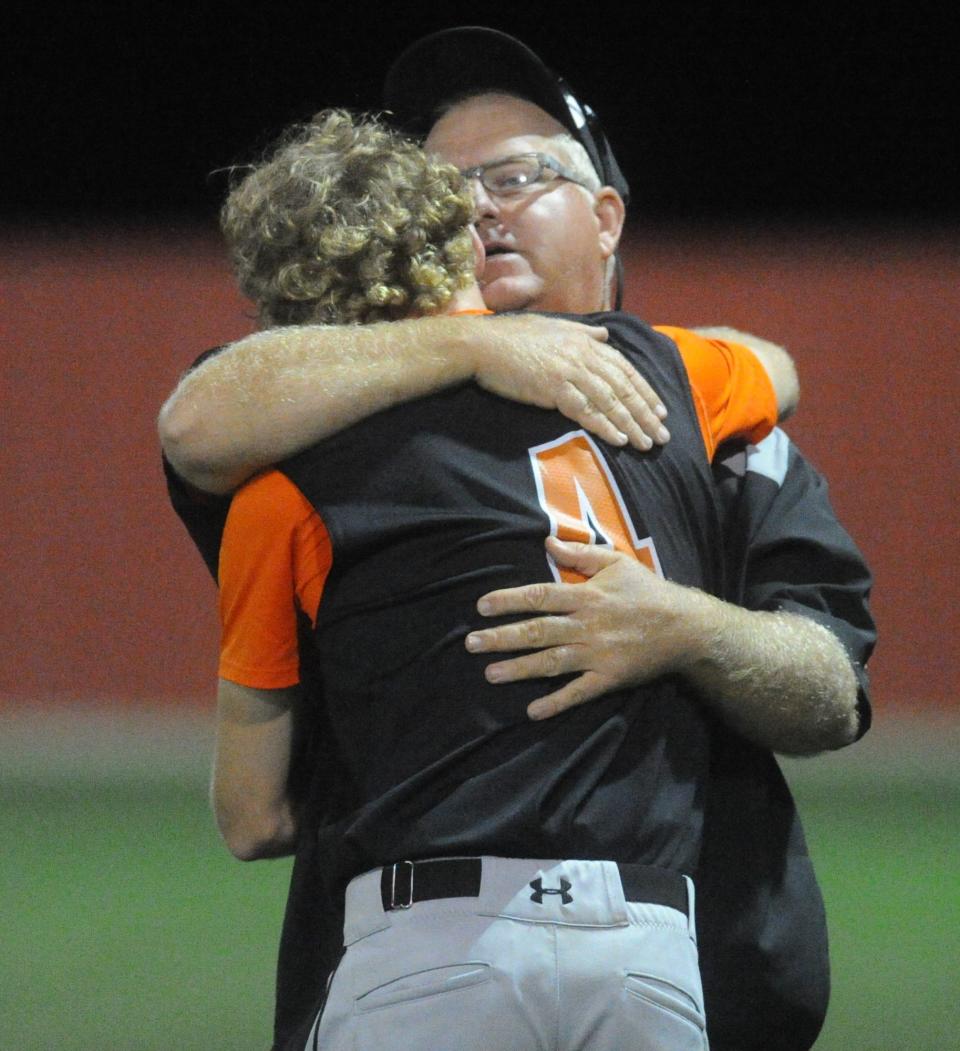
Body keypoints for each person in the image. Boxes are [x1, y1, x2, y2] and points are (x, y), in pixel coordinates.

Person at [157, 28, 874, 1051]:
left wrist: (689, 629)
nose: (479, 206)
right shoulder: (316, 408)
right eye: (447, 188)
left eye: (517, 174)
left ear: (606, 214)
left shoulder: (714, 419)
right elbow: (194, 416)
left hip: (696, 962)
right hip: (491, 953)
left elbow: (832, 692)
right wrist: (472, 340)